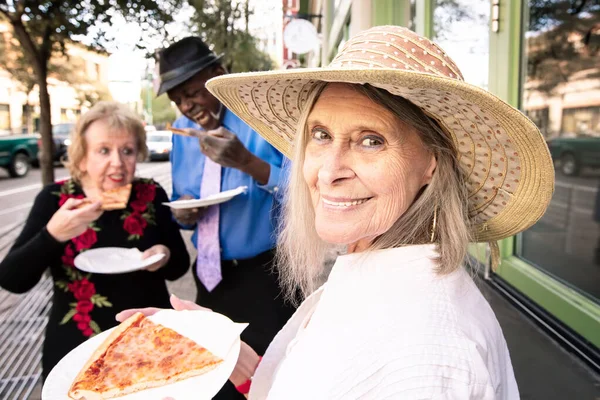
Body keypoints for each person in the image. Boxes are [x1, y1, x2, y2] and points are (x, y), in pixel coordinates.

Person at [120, 26, 555, 399]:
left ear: (432, 162)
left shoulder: (424, 353)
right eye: (321, 134)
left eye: (371, 140)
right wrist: (246, 365)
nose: (327, 173)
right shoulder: (376, 267)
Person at [0, 102, 190, 380]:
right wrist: (52, 235)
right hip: (77, 345)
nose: (118, 162)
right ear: (82, 158)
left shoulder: (150, 193)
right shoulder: (56, 200)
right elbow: (12, 280)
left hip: (150, 340)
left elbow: (180, 266)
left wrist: (164, 255)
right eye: (104, 150)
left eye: (127, 150)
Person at [156, 35, 296, 398]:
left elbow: (302, 193)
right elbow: (181, 198)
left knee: (271, 376)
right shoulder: (182, 137)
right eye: (178, 100)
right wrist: (185, 211)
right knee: (217, 374)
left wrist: (247, 162)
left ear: (218, 74)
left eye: (193, 92)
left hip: (267, 276)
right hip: (209, 275)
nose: (188, 106)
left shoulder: (261, 119)